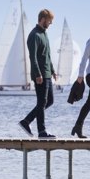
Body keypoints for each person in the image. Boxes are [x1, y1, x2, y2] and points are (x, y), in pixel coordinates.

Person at [18, 9, 57, 139]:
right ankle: (42, 131)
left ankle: (26, 121)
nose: (50, 23)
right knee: (42, 102)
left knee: (49, 101)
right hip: (39, 75)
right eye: (49, 20)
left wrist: (52, 70)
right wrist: (38, 74)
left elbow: (47, 55)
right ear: (42, 19)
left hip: (47, 73)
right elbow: (33, 57)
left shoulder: (44, 34)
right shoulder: (34, 35)